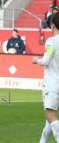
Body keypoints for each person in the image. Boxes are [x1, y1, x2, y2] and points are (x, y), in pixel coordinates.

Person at [33, 12, 59, 143]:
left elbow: (45, 60)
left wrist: (36, 60)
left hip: (53, 86)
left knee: (52, 118)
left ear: (53, 25)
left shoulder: (51, 41)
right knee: (48, 124)